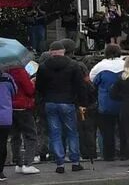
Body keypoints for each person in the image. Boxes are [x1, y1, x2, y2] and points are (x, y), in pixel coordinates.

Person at [34, 41, 88, 173]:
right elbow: (80, 86)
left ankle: (60, 164)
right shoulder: (73, 65)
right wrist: (82, 102)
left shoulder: (43, 67)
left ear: (51, 52)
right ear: (63, 51)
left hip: (50, 102)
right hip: (68, 102)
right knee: (72, 133)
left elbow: (39, 87)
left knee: (55, 133)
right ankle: (75, 161)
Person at [89, 42, 125, 161]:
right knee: (124, 130)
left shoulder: (100, 66)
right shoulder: (125, 64)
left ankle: (109, 155)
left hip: (106, 103)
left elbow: (92, 80)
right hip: (123, 103)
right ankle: (125, 154)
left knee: (107, 131)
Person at [8, 58, 41, 173]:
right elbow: (29, 90)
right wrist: (32, 82)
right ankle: (28, 163)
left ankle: (18, 162)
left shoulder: (4, 72)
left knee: (15, 136)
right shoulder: (20, 71)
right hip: (23, 106)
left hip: (10, 107)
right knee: (30, 135)